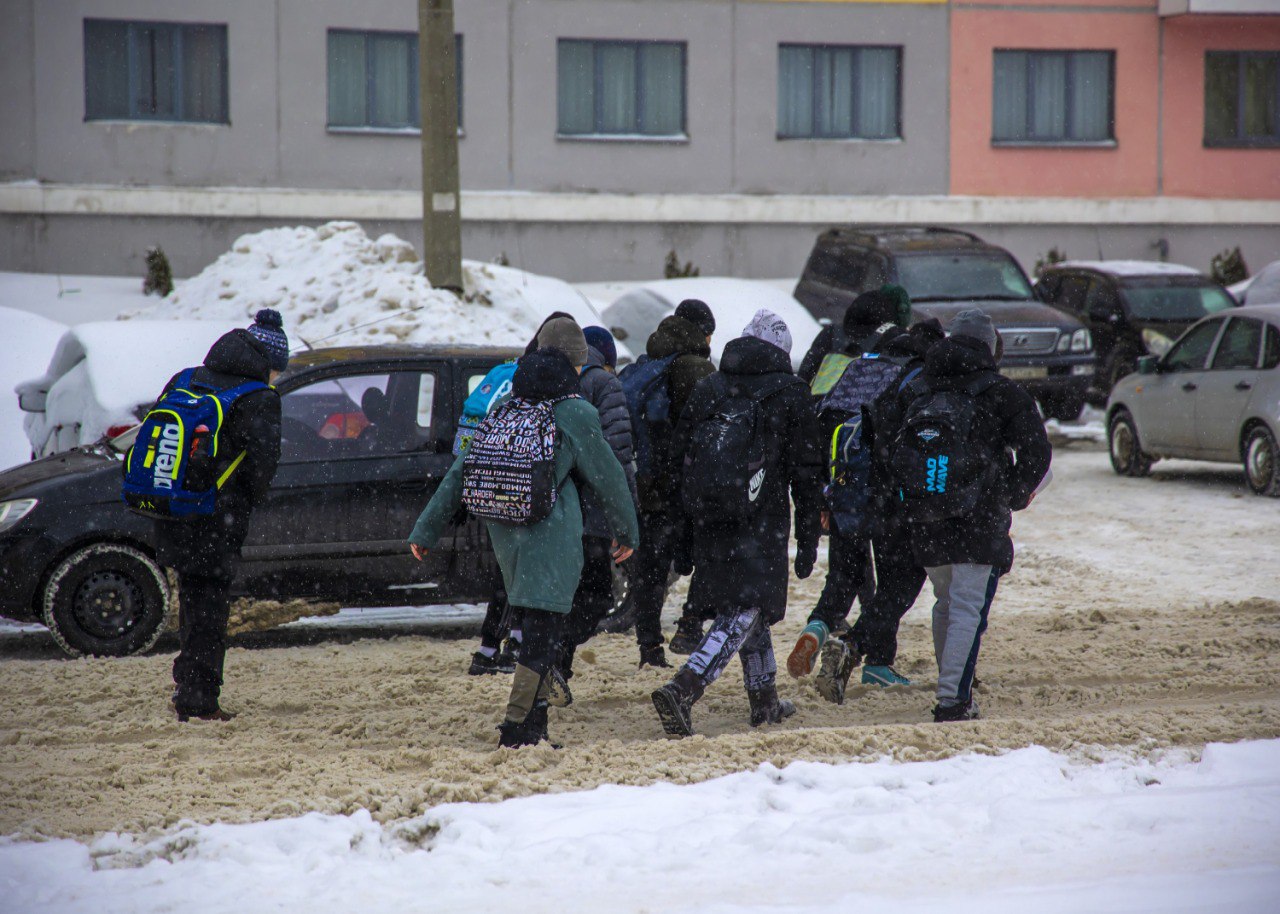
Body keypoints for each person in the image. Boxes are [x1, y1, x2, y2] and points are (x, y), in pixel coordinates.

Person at [408, 323, 639, 748]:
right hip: (547, 531)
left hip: (506, 531)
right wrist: (626, 532)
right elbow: (609, 479)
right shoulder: (575, 412)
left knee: (538, 628)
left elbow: (462, 470)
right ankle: (518, 729)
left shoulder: (506, 405)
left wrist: (428, 526)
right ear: (576, 362)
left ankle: (535, 723)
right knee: (541, 635)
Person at [650, 309, 822, 737]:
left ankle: (765, 703)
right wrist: (808, 539)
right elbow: (807, 475)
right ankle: (684, 687)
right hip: (760, 519)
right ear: (782, 352)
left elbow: (679, 458)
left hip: (709, 515)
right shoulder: (792, 393)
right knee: (745, 607)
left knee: (749, 606)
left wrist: (682, 530)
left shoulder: (711, 386)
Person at [888, 309, 1050, 722]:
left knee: (946, 602)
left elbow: (886, 441)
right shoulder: (1001, 392)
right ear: (990, 345)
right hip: (977, 516)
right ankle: (953, 700)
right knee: (966, 608)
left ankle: (953, 684)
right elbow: (1037, 452)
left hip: (924, 512)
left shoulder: (918, 386)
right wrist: (1014, 492)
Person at [158, 310, 286, 722]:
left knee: (194, 597)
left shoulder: (187, 378)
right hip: (216, 517)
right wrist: (244, 500)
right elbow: (262, 467)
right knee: (211, 604)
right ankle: (198, 699)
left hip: (173, 508)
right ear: (266, 362)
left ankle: (187, 680)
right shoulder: (258, 399)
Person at [809, 320, 946, 703]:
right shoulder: (914, 377)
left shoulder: (860, 368)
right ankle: (859, 651)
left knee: (848, 577)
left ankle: (858, 651)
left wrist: (824, 495)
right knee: (900, 582)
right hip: (891, 497)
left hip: (845, 492)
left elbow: (825, 419)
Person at [467, 311, 576, 675]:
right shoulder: (549, 382)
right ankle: (510, 644)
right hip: (523, 488)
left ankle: (488, 648)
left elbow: (470, 426)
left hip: (488, 484)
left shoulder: (504, 374)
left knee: (507, 571)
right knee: (516, 575)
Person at [624, 298, 716, 668]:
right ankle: (690, 624)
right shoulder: (697, 366)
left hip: (647, 483)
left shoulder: (647, 364)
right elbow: (712, 428)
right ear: (703, 332)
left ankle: (649, 647)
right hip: (686, 484)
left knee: (651, 569)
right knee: (711, 554)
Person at [557, 325, 637, 685]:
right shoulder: (605, 385)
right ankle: (552, 659)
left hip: (554, 509)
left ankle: (555, 666)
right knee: (595, 597)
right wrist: (627, 519)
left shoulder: (555, 380)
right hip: (592, 515)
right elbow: (618, 458)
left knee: (562, 597)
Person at [798, 286, 908, 386]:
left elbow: (805, 372)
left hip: (820, 401)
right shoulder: (891, 336)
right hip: (861, 406)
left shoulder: (831, 332)